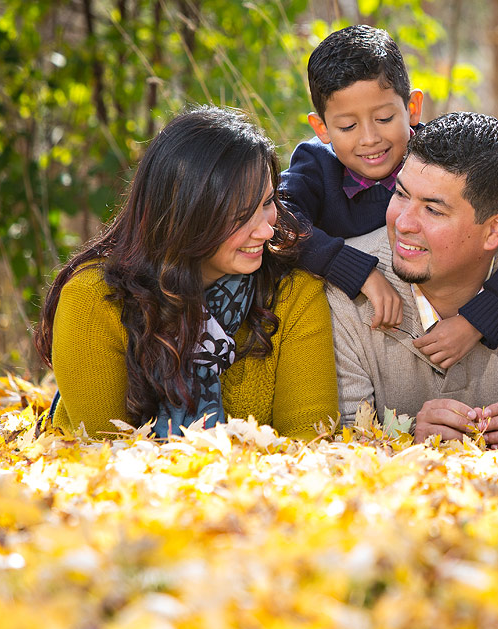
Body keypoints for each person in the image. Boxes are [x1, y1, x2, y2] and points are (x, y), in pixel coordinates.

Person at [280, 25, 498, 371]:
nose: (370, 138)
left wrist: (479, 319)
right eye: (348, 127)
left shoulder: (436, 163)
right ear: (322, 128)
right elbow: (277, 221)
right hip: (357, 340)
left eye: (385, 118)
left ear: (413, 107)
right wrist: (356, 271)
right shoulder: (315, 167)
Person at [34, 105, 338, 439]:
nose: (266, 231)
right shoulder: (94, 298)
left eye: (267, 203)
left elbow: (310, 443)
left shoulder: (293, 294)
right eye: (240, 216)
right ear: (186, 217)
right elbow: (99, 454)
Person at [325, 111, 498, 444]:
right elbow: (336, 442)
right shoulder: (347, 286)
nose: (403, 223)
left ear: (495, 230)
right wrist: (406, 440)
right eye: (402, 195)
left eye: (433, 210)